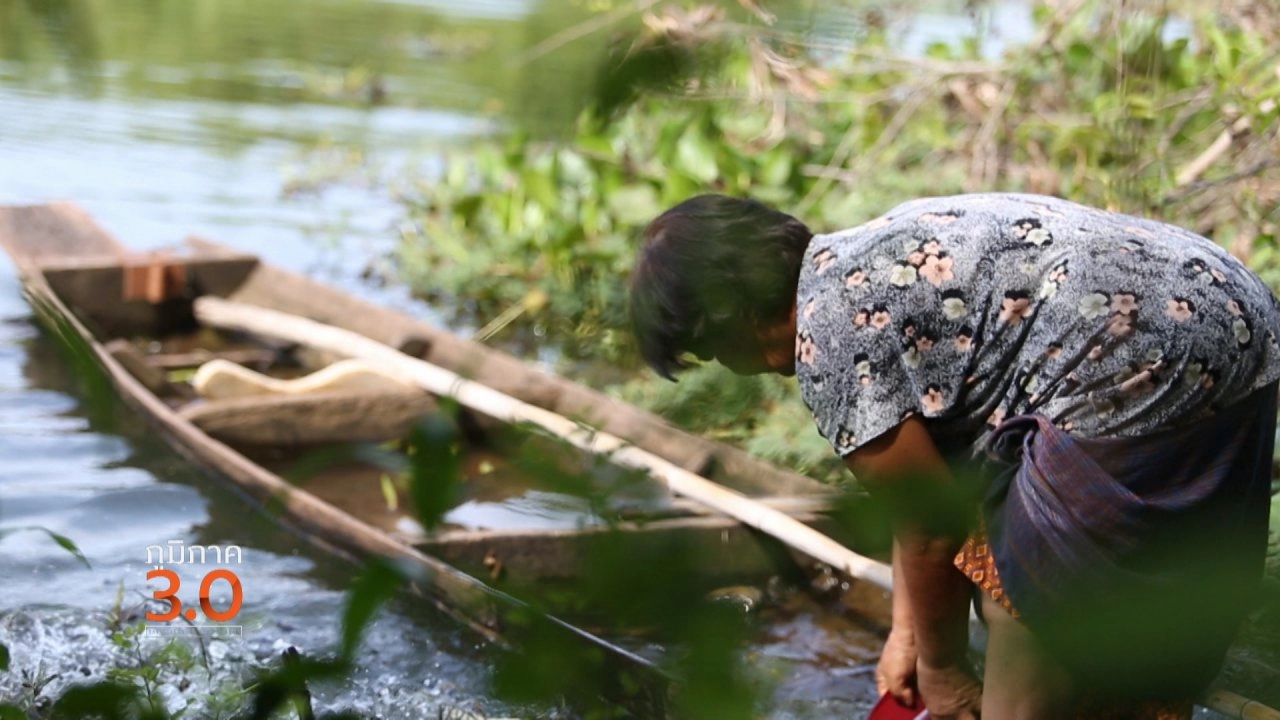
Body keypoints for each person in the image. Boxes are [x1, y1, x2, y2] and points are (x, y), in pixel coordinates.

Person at [626, 192, 1280, 720]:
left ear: (730, 315)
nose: (730, 370)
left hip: (1138, 351)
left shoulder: (827, 343)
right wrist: (908, 634)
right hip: (1233, 310)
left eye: (711, 352)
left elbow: (934, 524)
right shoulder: (855, 257)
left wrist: (942, 671)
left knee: (1018, 598)